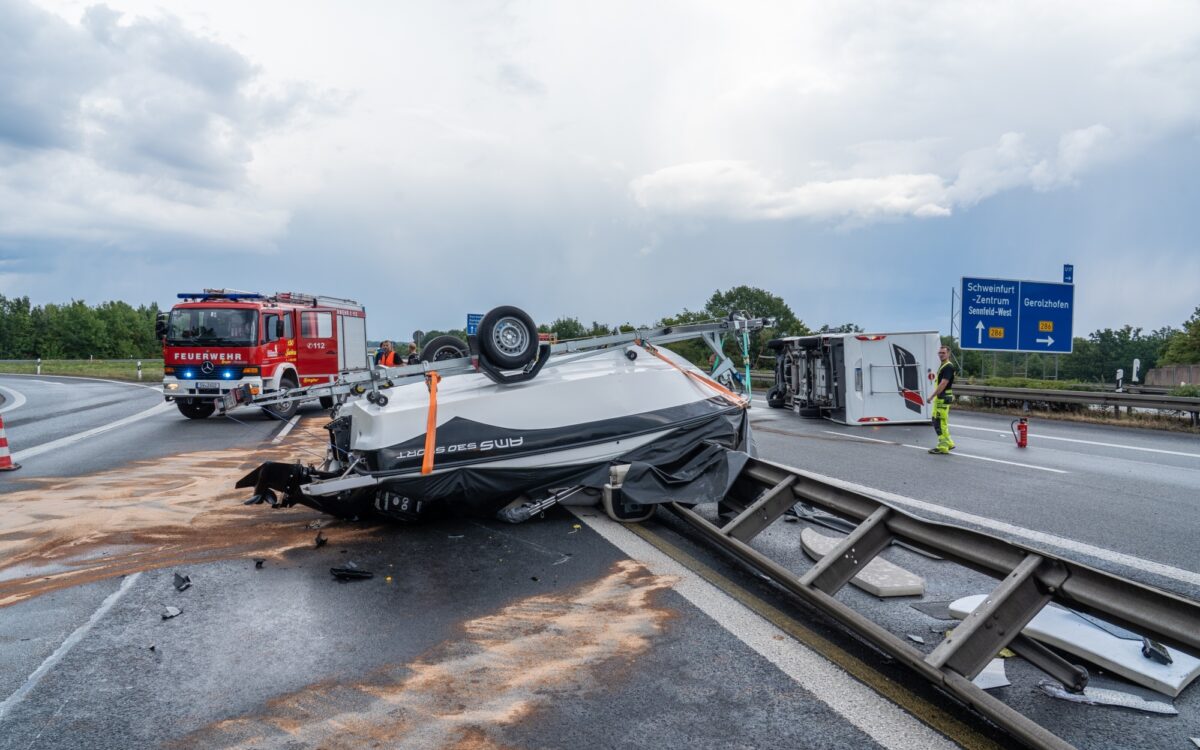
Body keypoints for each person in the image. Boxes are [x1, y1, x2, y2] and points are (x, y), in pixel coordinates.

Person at [927, 345, 956, 454]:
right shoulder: (944, 365)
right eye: (939, 353)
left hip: (942, 397)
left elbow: (943, 384)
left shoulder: (948, 367)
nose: (941, 355)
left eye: (943, 353)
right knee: (940, 421)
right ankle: (949, 443)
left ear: (948, 354)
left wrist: (932, 396)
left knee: (938, 422)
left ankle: (943, 446)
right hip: (942, 397)